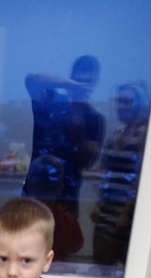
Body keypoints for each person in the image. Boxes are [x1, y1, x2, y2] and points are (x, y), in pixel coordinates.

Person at [24, 55, 105, 217]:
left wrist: (79, 134)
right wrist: (72, 86)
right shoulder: (51, 100)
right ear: (70, 78)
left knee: (64, 233)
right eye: (78, 80)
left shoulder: (95, 117)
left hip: (67, 195)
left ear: (94, 84)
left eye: (87, 82)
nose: (82, 86)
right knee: (27, 232)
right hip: (34, 190)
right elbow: (31, 79)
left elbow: (88, 162)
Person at [91, 82, 149, 265]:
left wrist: (126, 212)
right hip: (107, 208)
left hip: (126, 210)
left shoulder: (145, 133)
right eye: (118, 101)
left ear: (139, 104)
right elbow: (107, 172)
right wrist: (98, 203)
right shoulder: (117, 132)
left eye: (126, 102)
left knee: (123, 261)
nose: (120, 106)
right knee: (101, 258)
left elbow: (140, 177)